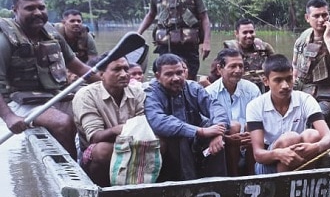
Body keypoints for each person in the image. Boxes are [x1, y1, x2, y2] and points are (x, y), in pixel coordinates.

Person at [0, 0, 99, 157]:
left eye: (41, 7)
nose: (38, 12)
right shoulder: (4, 40)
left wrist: (105, 84)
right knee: (63, 123)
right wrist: (9, 117)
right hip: (18, 101)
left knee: (96, 106)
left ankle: (90, 157)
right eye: (30, 8)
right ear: (15, 9)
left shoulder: (51, 33)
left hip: (52, 95)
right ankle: (74, 169)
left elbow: (79, 67)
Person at [144, 53, 228, 181]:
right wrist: (200, 131)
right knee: (179, 135)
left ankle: (218, 183)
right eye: (169, 74)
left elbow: (215, 107)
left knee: (216, 131)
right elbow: (158, 121)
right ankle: (189, 186)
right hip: (171, 150)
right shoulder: (151, 93)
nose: (176, 78)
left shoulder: (193, 87)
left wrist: (218, 132)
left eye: (179, 73)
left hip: (195, 143)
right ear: (157, 76)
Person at [246, 54, 330, 174]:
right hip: (268, 165)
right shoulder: (255, 106)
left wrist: (316, 147)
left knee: (312, 135)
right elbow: (258, 155)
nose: (285, 86)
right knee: (290, 138)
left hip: (299, 160)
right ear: (266, 81)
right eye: (278, 80)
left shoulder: (305, 99)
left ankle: (302, 181)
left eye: (289, 79)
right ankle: (285, 186)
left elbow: (329, 138)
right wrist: (279, 154)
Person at [73, 55, 145, 186]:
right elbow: (94, 137)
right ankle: (101, 191)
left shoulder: (137, 92)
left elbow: (143, 125)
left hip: (132, 145)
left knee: (161, 144)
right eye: (117, 70)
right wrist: (118, 130)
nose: (124, 74)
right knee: (102, 150)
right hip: (97, 153)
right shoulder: (86, 95)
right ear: (101, 75)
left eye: (126, 69)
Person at [136, 0, 211, 81]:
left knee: (189, 75)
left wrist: (206, 42)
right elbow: (151, 14)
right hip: (166, 44)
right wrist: (137, 34)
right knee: (166, 75)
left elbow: (204, 17)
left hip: (188, 44)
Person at [205, 48, 261, 175]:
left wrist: (251, 136)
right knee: (233, 126)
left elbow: (259, 120)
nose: (238, 70)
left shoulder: (252, 90)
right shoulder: (209, 93)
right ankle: (233, 179)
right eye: (233, 66)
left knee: (251, 129)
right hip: (223, 143)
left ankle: (254, 177)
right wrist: (228, 138)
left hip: (249, 142)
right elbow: (207, 125)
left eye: (241, 66)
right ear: (220, 69)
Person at [223, 18, 274, 91]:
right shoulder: (228, 50)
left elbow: (277, 66)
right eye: (245, 32)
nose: (249, 35)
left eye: (251, 32)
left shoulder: (265, 48)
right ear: (236, 34)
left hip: (262, 87)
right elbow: (217, 72)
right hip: (239, 89)